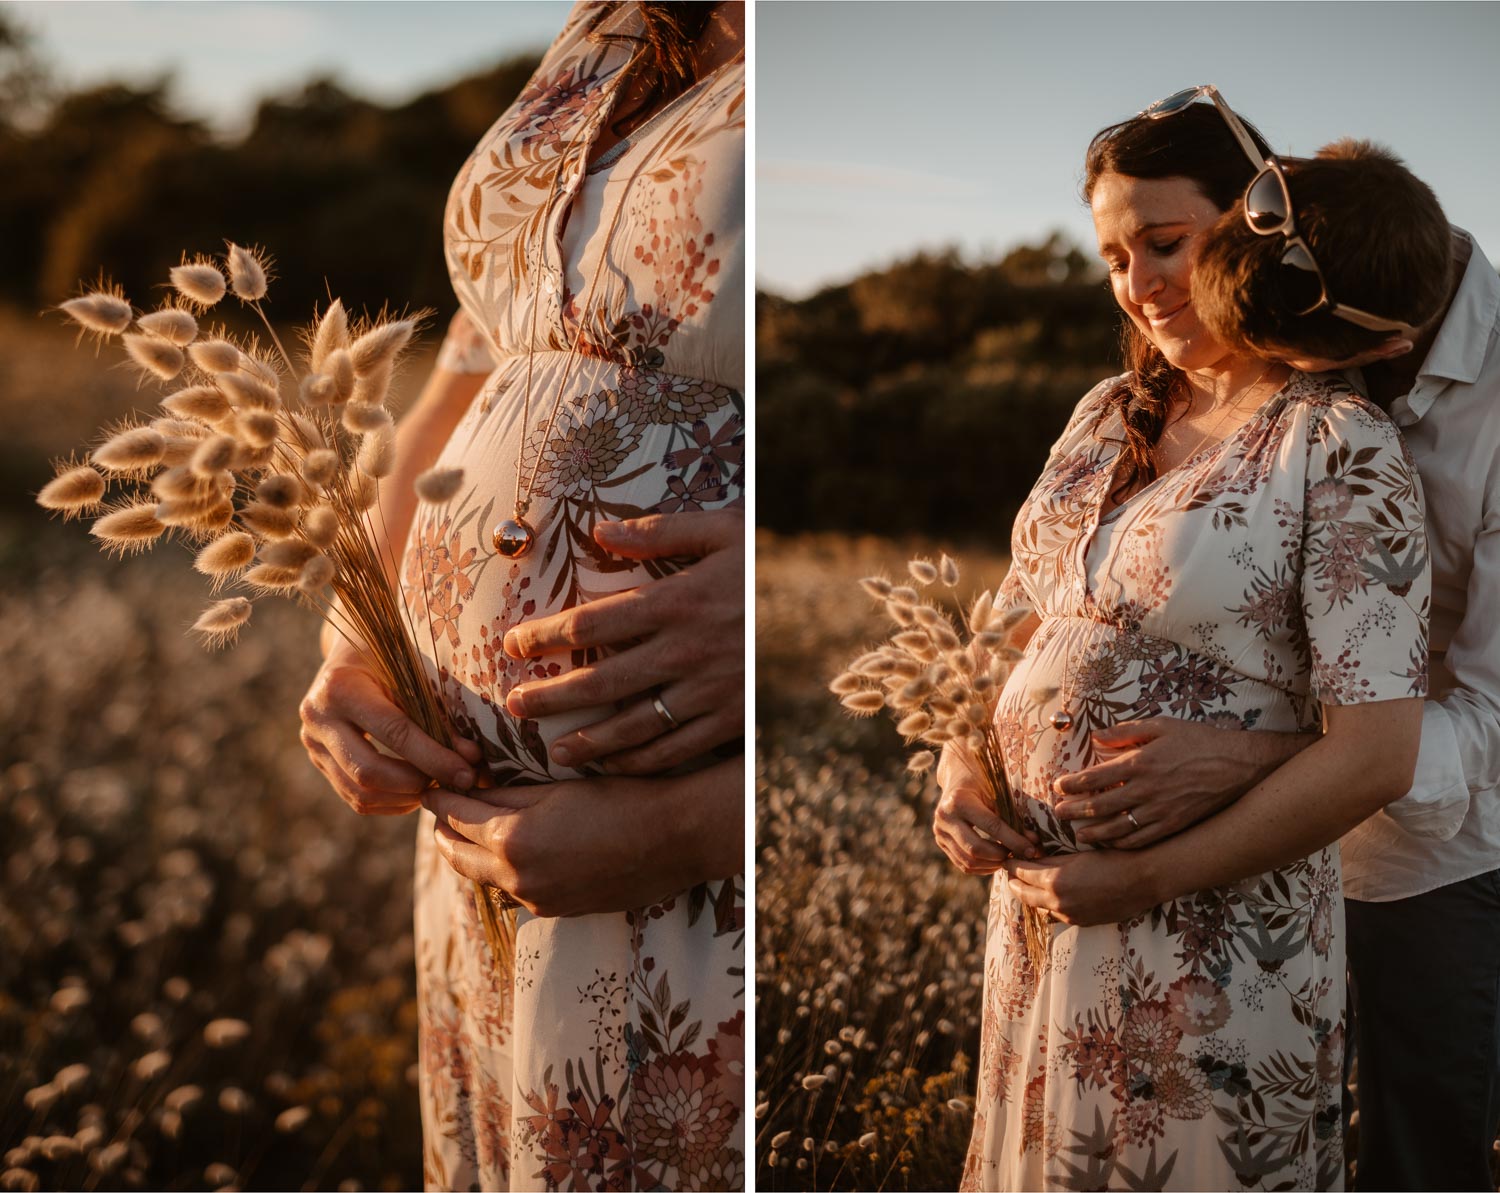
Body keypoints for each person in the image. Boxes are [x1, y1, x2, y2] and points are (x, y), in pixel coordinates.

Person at [932, 90, 1435, 1191]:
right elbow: (1013, 624)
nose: (1139, 281)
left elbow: (1378, 750)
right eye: (1115, 254)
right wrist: (961, 757)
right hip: (1043, 920)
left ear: (1253, 231)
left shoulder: (1337, 444)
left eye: (1166, 241)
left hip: (1215, 936)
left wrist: (1147, 873)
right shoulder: (1102, 411)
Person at [297, 4, 745, 1189]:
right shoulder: (609, 30)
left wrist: (692, 820)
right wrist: (358, 643)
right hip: (479, 832)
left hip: (671, 837)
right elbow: (479, 357)